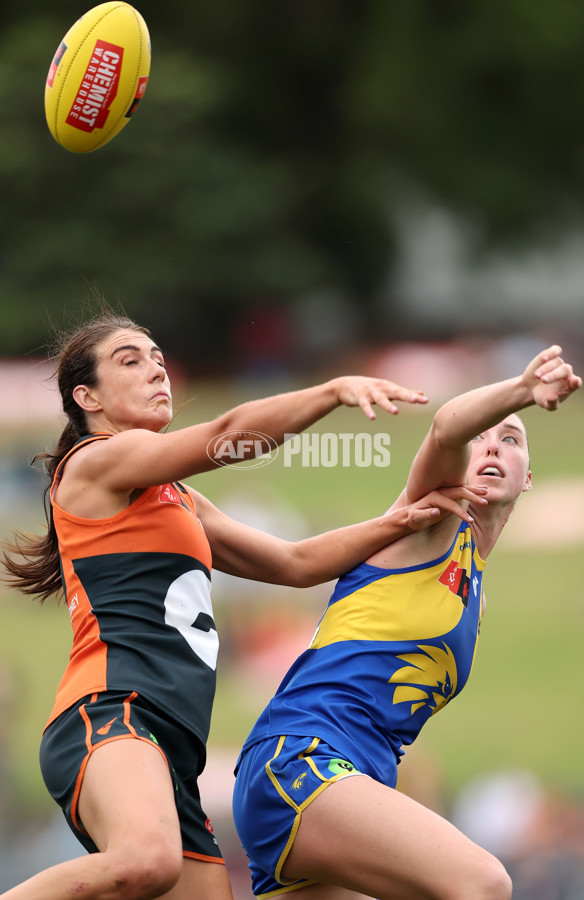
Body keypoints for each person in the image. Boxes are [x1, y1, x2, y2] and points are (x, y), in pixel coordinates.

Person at [0, 312, 483, 900]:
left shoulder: (174, 497)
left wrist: (395, 522)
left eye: (157, 357)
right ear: (87, 397)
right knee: (147, 862)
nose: (156, 369)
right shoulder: (93, 463)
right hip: (110, 714)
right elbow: (227, 435)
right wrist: (330, 392)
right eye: (130, 361)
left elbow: (295, 563)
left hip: (171, 745)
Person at [231, 344, 582, 900]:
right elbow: (446, 429)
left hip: (345, 785)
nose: (492, 445)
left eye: (510, 439)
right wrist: (521, 391)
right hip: (302, 761)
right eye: (484, 437)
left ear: (529, 477)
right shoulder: (433, 521)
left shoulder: (476, 594)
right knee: (484, 884)